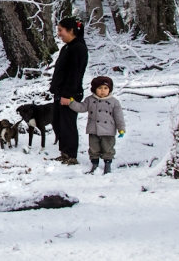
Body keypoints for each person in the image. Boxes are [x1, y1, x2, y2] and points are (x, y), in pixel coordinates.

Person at [62, 75, 126, 174]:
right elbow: (81, 108)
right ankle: (94, 165)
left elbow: (119, 116)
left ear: (110, 89)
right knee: (93, 149)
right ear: (94, 89)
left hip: (108, 131)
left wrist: (121, 128)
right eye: (99, 88)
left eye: (105, 88)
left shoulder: (114, 102)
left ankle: (107, 166)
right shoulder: (90, 100)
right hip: (94, 129)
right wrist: (72, 102)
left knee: (108, 148)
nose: (103, 91)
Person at [49, 17, 88, 165]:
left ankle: (71, 155)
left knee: (68, 125)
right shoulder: (68, 47)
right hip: (60, 93)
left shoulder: (78, 48)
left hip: (69, 94)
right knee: (58, 123)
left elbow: (74, 74)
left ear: (71, 30)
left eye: (61, 30)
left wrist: (68, 95)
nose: (59, 34)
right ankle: (64, 152)